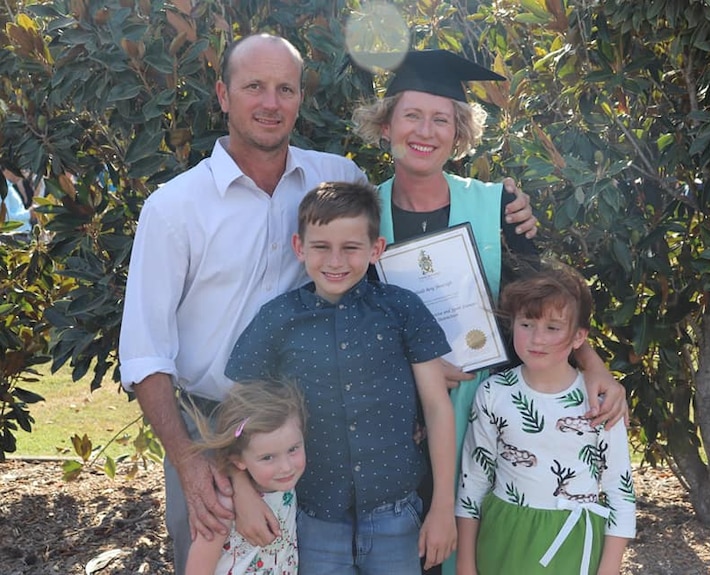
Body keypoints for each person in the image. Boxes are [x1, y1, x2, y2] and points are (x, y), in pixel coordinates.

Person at [118, 33, 535, 574]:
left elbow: (391, 268)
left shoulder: (334, 178)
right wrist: (196, 464)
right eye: (254, 87)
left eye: (285, 89)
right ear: (223, 94)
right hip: (213, 428)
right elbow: (146, 355)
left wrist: (511, 212)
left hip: (318, 432)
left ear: (298, 98)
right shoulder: (174, 209)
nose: (270, 102)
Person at [351, 49, 629, 575]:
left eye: (442, 120)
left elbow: (543, 305)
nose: (425, 131)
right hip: (394, 419)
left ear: (459, 135)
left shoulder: (497, 206)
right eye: (412, 115)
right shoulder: (361, 212)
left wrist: (594, 365)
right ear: (386, 124)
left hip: (488, 416)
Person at [225, 181, 457, 573]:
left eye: (351, 248)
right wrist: (241, 487)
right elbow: (237, 417)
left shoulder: (401, 310)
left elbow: (436, 407)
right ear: (300, 248)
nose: (336, 260)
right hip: (314, 518)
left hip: (396, 516)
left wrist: (443, 509)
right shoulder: (278, 319)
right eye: (321, 247)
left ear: (376, 249)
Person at [456, 264, 636, 575]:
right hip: (503, 535)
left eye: (553, 328)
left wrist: (609, 569)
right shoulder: (492, 393)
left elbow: (620, 493)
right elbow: (473, 482)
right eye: (526, 324)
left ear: (579, 336)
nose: (537, 338)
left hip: (575, 540)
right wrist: (465, 565)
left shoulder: (603, 401)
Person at [185, 379, 307, 575]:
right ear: (238, 460)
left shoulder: (286, 488)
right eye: (268, 457)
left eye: (293, 449)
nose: (286, 467)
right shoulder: (223, 506)